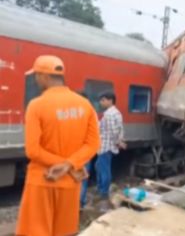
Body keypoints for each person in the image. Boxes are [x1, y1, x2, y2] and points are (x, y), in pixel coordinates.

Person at [16, 55, 100, 236]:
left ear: (44, 76)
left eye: (37, 75)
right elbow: (93, 144)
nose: (36, 80)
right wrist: (69, 166)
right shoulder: (85, 105)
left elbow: (33, 150)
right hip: (71, 184)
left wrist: (65, 166)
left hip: (42, 180)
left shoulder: (36, 105)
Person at [96, 91, 125, 201]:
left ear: (110, 100)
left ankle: (103, 193)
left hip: (105, 146)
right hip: (107, 146)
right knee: (99, 167)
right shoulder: (116, 113)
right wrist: (119, 141)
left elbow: (113, 131)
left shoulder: (109, 114)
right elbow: (119, 129)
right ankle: (101, 189)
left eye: (103, 100)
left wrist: (119, 142)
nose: (101, 103)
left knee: (104, 170)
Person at [78, 90, 96, 208]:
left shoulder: (72, 112)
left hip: (75, 152)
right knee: (82, 179)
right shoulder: (91, 113)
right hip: (84, 152)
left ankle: (77, 203)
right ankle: (80, 203)